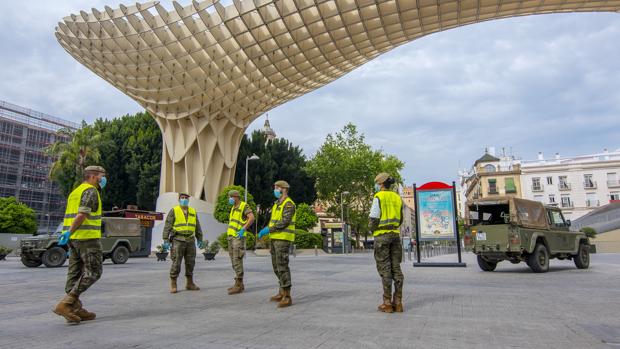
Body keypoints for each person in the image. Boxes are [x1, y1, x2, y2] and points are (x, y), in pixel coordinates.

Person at [53, 165, 107, 324]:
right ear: (93, 176)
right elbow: (82, 214)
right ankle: (66, 303)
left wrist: (68, 233)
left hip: (74, 238)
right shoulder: (90, 191)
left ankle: (75, 308)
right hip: (87, 238)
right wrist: (70, 231)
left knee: (74, 273)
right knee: (94, 271)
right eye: (102, 176)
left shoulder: (75, 192)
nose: (104, 179)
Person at [369, 172, 405, 313]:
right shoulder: (397, 197)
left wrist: (373, 229)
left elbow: (373, 218)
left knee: (385, 269)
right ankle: (399, 302)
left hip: (381, 236)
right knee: (396, 268)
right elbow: (401, 219)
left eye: (376, 184)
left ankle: (387, 303)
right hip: (395, 236)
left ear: (381, 184)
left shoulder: (378, 197)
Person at [258, 180, 296, 308]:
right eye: (274, 187)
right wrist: (267, 231)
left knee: (282, 266)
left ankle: (287, 296)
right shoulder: (276, 204)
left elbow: (284, 222)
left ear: (284, 189)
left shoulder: (289, 204)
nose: (274, 190)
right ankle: (281, 292)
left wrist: (268, 229)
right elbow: (273, 221)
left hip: (283, 239)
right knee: (276, 266)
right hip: (274, 239)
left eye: (277, 187)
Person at [162, 192, 205, 293]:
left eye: (186, 198)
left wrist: (200, 239)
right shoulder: (174, 210)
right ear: (179, 199)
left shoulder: (193, 211)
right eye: (182, 197)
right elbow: (167, 225)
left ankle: (189, 283)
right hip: (178, 240)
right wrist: (165, 239)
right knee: (176, 262)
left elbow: (197, 226)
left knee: (191, 262)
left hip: (190, 240)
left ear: (188, 200)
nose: (184, 199)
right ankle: (173, 283)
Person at [226, 189, 255, 295]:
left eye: (231, 197)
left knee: (237, 259)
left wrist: (243, 229)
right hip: (231, 237)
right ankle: (239, 284)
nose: (229, 199)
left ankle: (238, 285)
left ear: (236, 197)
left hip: (238, 237)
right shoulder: (233, 208)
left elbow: (251, 218)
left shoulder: (244, 206)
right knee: (233, 261)